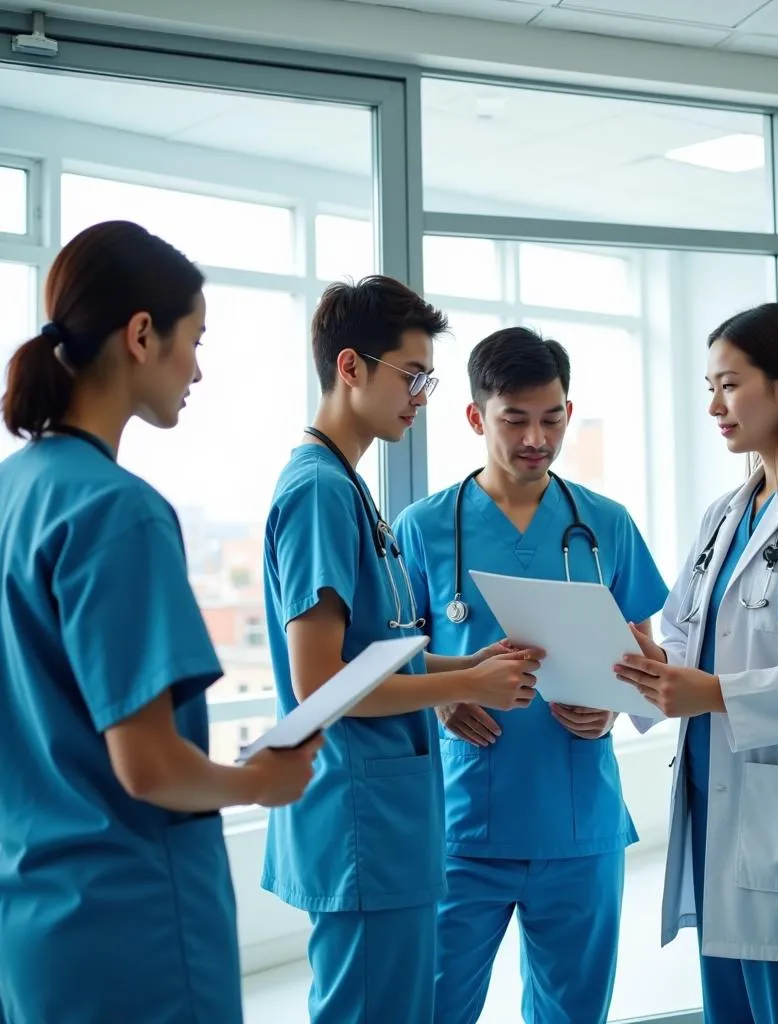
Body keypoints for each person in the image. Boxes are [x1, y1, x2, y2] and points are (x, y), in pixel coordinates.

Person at [0, 220, 321, 1024]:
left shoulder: (14, 493)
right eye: (195, 340)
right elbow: (148, 767)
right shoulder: (117, 512)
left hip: (30, 917)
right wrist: (263, 783)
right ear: (142, 335)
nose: (199, 370)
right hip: (130, 923)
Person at [260, 279, 543, 1024]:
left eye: (428, 378)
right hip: (360, 824)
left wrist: (473, 666)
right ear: (350, 367)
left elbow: (379, 656)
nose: (420, 395)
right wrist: (467, 688)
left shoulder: (348, 488)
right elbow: (320, 681)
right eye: (411, 375)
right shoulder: (318, 491)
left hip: (385, 827)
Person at [392, 326, 668, 1024]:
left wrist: (614, 701)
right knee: (432, 1007)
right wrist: (445, 697)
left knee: (574, 1014)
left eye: (552, 419)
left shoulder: (604, 523)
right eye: (515, 420)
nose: (535, 439)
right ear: (477, 416)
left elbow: (649, 651)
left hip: (578, 821)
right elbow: (388, 660)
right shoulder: (424, 529)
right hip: (464, 824)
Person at [614, 303, 778, 1024]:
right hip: (714, 809)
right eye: (708, 386)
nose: (713, 406)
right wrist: (632, 669)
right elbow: (684, 640)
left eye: (729, 385)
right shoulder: (724, 514)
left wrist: (717, 693)